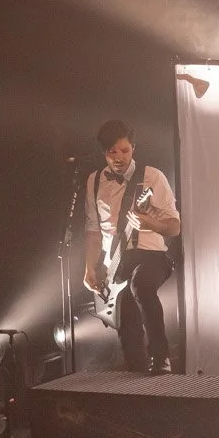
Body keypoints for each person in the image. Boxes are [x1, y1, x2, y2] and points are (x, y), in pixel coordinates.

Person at [82, 118, 183, 374]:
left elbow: (174, 227)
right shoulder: (94, 181)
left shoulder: (152, 177)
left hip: (152, 256)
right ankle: (136, 374)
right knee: (126, 324)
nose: (119, 157)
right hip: (114, 263)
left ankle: (161, 356)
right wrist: (89, 268)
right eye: (112, 151)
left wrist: (149, 223)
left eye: (124, 150)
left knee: (142, 284)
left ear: (133, 148)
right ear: (103, 152)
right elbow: (93, 230)